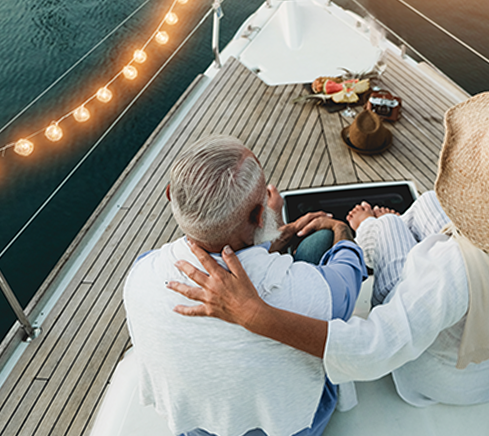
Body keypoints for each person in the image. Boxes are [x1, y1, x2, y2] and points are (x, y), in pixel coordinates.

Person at [167, 92, 489, 408]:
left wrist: (253, 315)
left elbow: (374, 351)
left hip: (437, 383)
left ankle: (370, 226)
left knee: (388, 227)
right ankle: (384, 223)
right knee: (430, 206)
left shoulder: (450, 271)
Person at [122, 135, 366, 436]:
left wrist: (272, 243)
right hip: (290, 426)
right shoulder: (303, 294)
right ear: (261, 214)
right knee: (320, 242)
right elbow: (348, 282)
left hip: (197, 426)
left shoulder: (142, 271)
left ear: (172, 195)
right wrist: (341, 230)